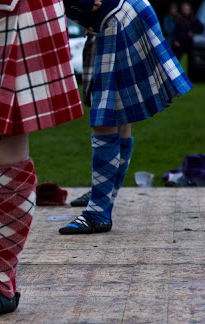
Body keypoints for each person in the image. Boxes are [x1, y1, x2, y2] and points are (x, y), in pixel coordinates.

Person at [0, 0, 83, 319]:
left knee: (6, 153)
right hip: (3, 14)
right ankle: (1, 277)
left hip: (12, 13)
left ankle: (1, 283)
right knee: (3, 152)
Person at [59, 0, 193, 235]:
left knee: (105, 118)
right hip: (118, 17)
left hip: (117, 18)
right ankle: (104, 193)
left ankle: (98, 211)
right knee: (118, 115)